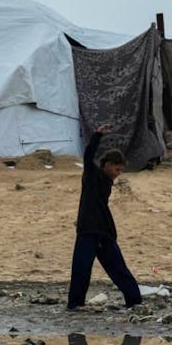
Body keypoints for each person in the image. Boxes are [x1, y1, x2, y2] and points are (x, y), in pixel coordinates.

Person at [67, 124, 142, 310]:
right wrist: (97, 136)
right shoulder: (92, 176)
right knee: (82, 268)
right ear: (107, 165)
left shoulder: (107, 182)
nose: (118, 174)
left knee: (118, 268)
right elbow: (88, 155)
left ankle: (134, 301)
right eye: (117, 170)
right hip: (88, 230)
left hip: (105, 232)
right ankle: (76, 303)